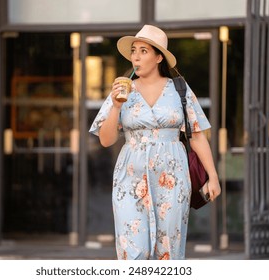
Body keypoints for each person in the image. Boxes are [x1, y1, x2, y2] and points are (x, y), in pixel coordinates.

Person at [89, 25, 221, 260]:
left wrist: (213, 176)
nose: (136, 57)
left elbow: (197, 135)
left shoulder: (179, 89)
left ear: (159, 57)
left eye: (143, 51)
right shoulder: (121, 90)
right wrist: (117, 106)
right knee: (132, 249)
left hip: (172, 176)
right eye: (133, 51)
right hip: (130, 178)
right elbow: (106, 140)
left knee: (168, 249)